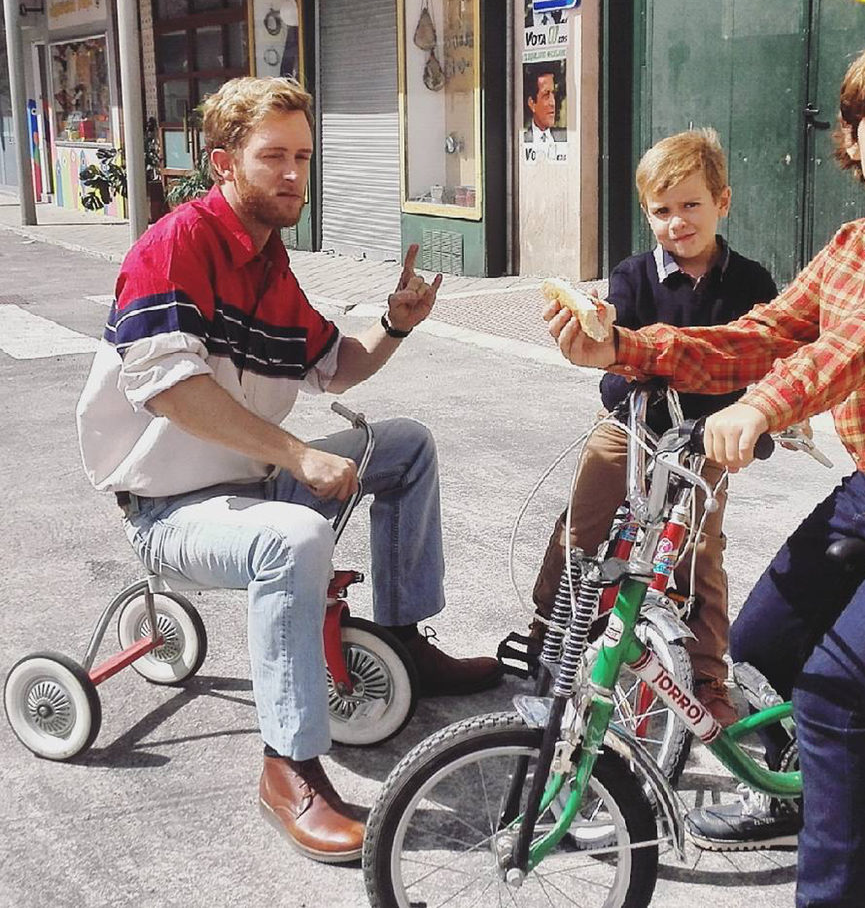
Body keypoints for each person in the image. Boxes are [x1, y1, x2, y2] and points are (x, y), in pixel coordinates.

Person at [545, 4, 865, 906]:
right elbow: (761, 333)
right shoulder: (854, 245)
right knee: (759, 652)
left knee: (834, 698)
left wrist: (767, 405)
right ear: (852, 139)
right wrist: (624, 346)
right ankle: (810, 793)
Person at [75, 76, 500, 866]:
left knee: (403, 443)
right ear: (222, 164)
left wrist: (394, 323)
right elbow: (171, 391)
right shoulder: (174, 247)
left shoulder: (270, 263)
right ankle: (288, 768)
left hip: (250, 488)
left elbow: (334, 367)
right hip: (170, 512)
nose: (294, 174)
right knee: (295, 538)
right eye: (273, 156)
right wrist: (296, 454)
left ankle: (405, 640)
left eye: (304, 155)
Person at [510, 128, 776, 725]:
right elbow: (611, 363)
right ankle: (548, 632)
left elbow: (766, 363)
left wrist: (755, 423)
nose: (677, 222)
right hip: (631, 428)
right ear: (646, 214)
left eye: (691, 206)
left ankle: (707, 676)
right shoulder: (632, 276)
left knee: (699, 550)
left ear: (722, 203)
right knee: (581, 526)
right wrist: (611, 351)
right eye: (662, 211)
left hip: (704, 442)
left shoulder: (751, 283)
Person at [523, 62, 567, 148]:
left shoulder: (565, 137)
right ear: (532, 104)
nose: (552, 103)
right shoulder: (523, 140)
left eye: (553, 94)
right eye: (546, 95)